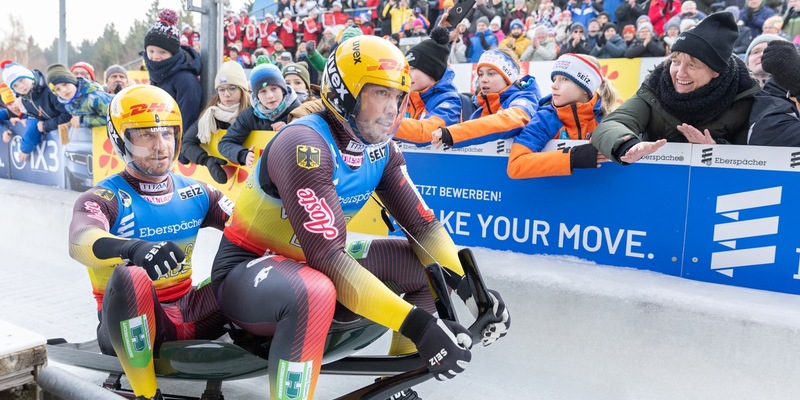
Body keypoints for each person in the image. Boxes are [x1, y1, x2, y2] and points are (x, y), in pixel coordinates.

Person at [210, 35, 510, 400]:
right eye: (380, 94)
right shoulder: (303, 144)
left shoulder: (382, 149)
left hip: (309, 264)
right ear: (345, 93)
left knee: (417, 266)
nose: (391, 109)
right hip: (249, 271)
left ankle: (400, 390)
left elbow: (423, 227)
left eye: (399, 97)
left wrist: (472, 291)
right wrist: (417, 325)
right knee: (313, 289)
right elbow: (330, 259)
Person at [67, 85, 232, 400]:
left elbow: (247, 229)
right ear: (121, 142)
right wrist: (132, 248)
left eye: (166, 134)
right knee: (132, 276)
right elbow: (79, 241)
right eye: (145, 136)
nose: (160, 147)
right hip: (130, 326)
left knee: (246, 265)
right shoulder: (104, 197)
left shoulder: (198, 192)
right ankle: (146, 392)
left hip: (190, 312)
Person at [592, 12, 761, 164]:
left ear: (715, 71)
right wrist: (628, 144)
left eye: (692, 66)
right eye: (675, 62)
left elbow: (758, 156)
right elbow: (612, 124)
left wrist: (716, 149)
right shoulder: (655, 87)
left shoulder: (743, 97)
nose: (680, 73)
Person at [508, 54, 618, 178]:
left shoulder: (607, 117)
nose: (554, 85)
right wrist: (571, 158)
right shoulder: (545, 119)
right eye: (555, 79)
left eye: (564, 79)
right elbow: (516, 166)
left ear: (585, 88)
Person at [431, 47, 542, 148]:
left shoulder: (525, 99)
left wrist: (453, 133)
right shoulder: (479, 111)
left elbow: (510, 121)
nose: (483, 79)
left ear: (508, 77)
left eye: (491, 73)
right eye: (480, 74)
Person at [218, 59, 301, 167]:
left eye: (274, 88)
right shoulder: (249, 116)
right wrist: (243, 155)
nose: (270, 96)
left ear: (283, 89)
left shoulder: (299, 109)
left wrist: (291, 130)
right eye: (263, 91)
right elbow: (225, 143)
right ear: (256, 96)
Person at [181, 61, 251, 184]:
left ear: (242, 90)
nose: (226, 94)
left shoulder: (257, 112)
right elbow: (187, 143)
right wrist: (207, 161)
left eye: (232, 88)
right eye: (221, 89)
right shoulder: (210, 114)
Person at [394, 27, 464, 145]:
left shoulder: (450, 101)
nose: (407, 75)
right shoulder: (405, 98)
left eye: (413, 69)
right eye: (405, 70)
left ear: (432, 71)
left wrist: (382, 124)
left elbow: (426, 133)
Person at [144, 9, 203, 139]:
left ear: (173, 53)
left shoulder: (185, 80)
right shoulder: (157, 73)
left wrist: (182, 153)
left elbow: (189, 118)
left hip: (178, 147)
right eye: (151, 51)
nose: (155, 57)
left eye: (162, 52)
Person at [0, 59, 71, 161]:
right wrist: (25, 118)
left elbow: (68, 115)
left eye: (21, 80)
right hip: (61, 141)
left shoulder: (50, 90)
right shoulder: (26, 99)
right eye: (15, 85)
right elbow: (34, 120)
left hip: (73, 136)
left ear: (29, 75)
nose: (20, 86)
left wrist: (45, 125)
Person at [747, 40, 800, 146]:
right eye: (756, 52)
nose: (763, 55)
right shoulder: (737, 97)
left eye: (769, 50)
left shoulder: (793, 89)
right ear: (747, 63)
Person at [45, 63, 113, 128]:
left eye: (65, 84)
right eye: (58, 89)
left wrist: (82, 120)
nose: (63, 90)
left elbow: (114, 118)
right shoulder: (68, 104)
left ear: (73, 81)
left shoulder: (95, 97)